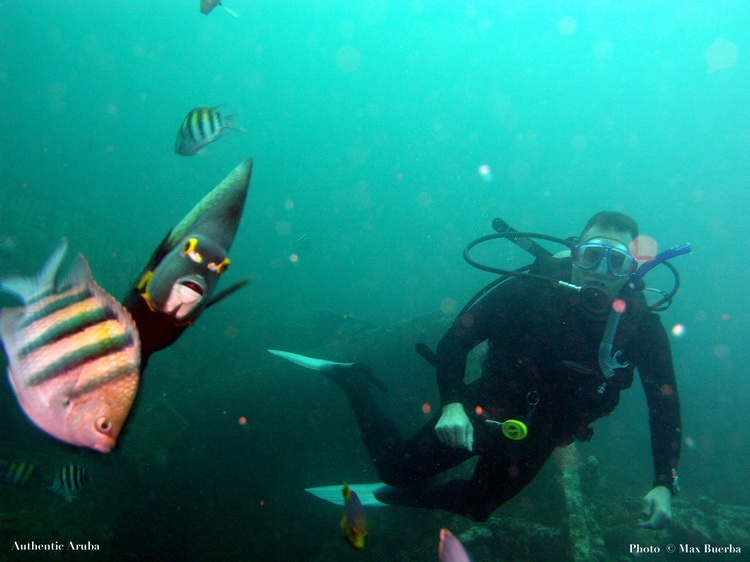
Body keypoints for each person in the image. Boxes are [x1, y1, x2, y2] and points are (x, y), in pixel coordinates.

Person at [319, 211, 681, 526]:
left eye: (616, 262)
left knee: (476, 508)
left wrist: (664, 482)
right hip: (487, 406)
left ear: (633, 270)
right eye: (591, 257)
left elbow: (664, 406)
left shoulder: (642, 328)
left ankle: (404, 496)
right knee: (393, 470)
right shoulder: (529, 292)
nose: (600, 274)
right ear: (574, 256)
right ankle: (354, 382)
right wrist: (452, 403)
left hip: (542, 434)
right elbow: (454, 341)